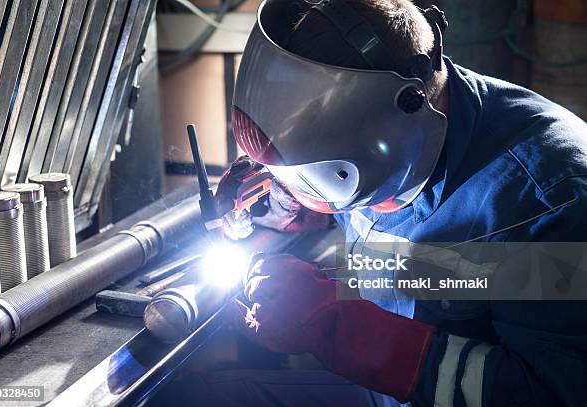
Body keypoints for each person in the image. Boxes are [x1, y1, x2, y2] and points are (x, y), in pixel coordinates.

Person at [175, 0, 587, 405]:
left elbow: (551, 394)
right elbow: (428, 256)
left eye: (317, 176)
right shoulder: (387, 133)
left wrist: (337, 328)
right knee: (200, 398)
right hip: (386, 391)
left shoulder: (550, 203)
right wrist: (280, 198)